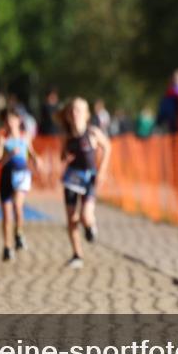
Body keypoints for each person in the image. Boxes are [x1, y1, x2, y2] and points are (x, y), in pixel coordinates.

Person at [59, 97, 110, 269]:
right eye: (72, 110)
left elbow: (108, 147)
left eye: (79, 110)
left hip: (89, 178)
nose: (75, 114)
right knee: (71, 219)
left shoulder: (93, 132)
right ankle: (77, 255)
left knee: (85, 216)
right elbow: (62, 156)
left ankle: (90, 227)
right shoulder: (67, 137)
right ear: (68, 115)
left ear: (86, 115)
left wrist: (102, 170)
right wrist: (65, 157)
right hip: (71, 179)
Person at [0, 108, 38, 262]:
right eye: (7, 120)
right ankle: (7, 247)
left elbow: (32, 153)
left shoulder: (25, 137)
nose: (10, 123)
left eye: (12, 119)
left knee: (18, 207)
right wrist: (8, 155)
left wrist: (36, 160)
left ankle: (19, 234)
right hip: (6, 177)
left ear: (18, 121)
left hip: (21, 175)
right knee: (7, 216)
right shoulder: (2, 140)